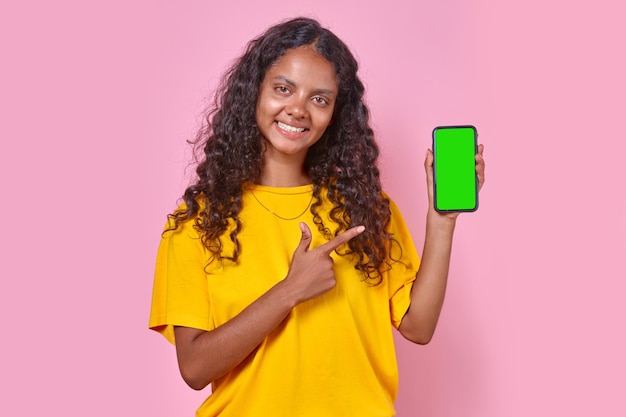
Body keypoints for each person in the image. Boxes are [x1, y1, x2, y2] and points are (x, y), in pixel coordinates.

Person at [149, 16, 485, 417]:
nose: (298, 109)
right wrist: (290, 291)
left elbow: (418, 327)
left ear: (334, 116)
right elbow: (194, 367)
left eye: (319, 99)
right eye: (283, 89)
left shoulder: (367, 208)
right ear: (254, 92)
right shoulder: (197, 222)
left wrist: (442, 220)